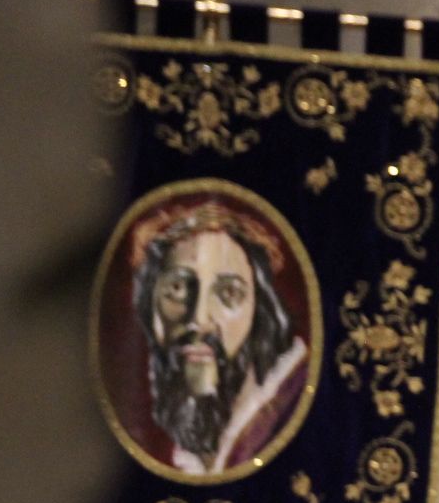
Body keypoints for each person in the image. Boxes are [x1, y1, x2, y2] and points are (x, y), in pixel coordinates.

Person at [129, 201, 308, 475]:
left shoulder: (292, 404)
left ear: (259, 312)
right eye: (177, 288)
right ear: (149, 308)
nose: (200, 319)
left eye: (228, 293)